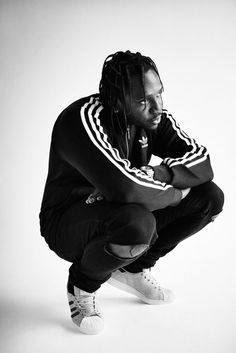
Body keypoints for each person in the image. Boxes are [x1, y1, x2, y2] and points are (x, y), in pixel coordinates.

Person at [39, 50, 224, 335]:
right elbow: (126, 188)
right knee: (138, 224)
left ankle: (133, 270)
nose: (157, 107)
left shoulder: (153, 117)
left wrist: (157, 173)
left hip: (120, 210)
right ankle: (82, 285)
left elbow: (201, 161)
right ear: (116, 103)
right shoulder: (82, 120)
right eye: (143, 101)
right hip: (67, 221)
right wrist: (175, 193)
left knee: (209, 198)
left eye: (159, 94)